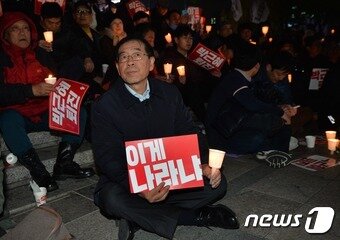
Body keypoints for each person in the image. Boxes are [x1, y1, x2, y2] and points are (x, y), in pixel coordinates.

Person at [91, 36, 239, 240]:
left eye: (136, 55)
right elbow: (107, 158)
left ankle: (139, 218)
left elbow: (190, 131)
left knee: (217, 185)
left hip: (170, 174)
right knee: (111, 199)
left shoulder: (169, 93)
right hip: (130, 182)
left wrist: (203, 164)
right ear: (117, 67)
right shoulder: (105, 106)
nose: (130, 62)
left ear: (151, 63)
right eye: (123, 58)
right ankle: (195, 216)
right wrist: (141, 188)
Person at [0, 12, 94, 192]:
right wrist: (31, 90)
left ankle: (64, 164)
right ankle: (39, 171)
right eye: (16, 29)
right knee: (7, 119)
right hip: (18, 114)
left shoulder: (40, 53)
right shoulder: (2, 57)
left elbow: (57, 75)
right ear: (5, 34)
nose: (22, 33)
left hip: (45, 109)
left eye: (26, 28)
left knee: (78, 110)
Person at [206, 42, 296, 167]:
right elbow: (253, 105)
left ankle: (278, 150)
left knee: (265, 129)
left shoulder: (238, 77)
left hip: (231, 126)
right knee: (262, 133)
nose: (281, 78)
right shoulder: (236, 79)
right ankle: (278, 151)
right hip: (221, 134)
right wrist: (280, 112)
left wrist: (282, 109)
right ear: (257, 66)